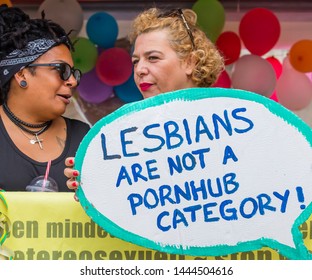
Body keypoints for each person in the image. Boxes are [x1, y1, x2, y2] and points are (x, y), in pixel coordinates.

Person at [64, 7, 224, 191]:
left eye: (153, 58)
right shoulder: (127, 137)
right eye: (135, 61)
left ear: (190, 62)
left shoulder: (230, 126)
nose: (139, 70)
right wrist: (92, 187)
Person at [0, 4, 90, 192]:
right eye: (61, 70)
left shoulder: (84, 138)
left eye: (74, 73)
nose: (72, 81)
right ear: (22, 74)